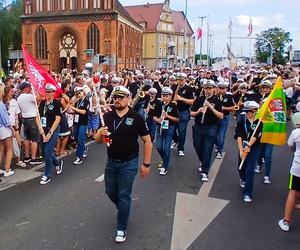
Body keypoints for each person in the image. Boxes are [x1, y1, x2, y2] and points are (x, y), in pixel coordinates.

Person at [95, 85, 152, 243]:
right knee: (110, 191)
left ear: (128, 98)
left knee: (124, 195)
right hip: (111, 162)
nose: (117, 100)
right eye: (115, 97)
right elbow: (98, 140)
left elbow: (147, 141)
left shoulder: (136, 117)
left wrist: (146, 164)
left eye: (121, 97)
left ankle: (121, 228)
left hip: (129, 162)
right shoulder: (107, 116)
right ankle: (124, 210)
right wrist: (101, 132)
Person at [191, 80, 223, 182]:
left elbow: (221, 116)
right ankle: (202, 161)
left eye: (210, 88)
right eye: (206, 88)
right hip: (198, 126)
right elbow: (191, 114)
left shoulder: (217, 101)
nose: (208, 90)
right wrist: (198, 111)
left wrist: (211, 108)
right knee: (197, 146)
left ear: (214, 89)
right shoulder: (199, 100)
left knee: (207, 149)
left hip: (211, 127)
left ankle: (205, 171)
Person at [235, 101, 262, 203]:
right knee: (241, 167)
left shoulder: (259, 122)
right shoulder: (241, 122)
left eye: (250, 111)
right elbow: (239, 136)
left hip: (254, 148)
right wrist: (241, 149)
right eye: (246, 111)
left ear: (255, 111)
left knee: (250, 170)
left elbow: (256, 136)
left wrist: (249, 146)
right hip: (243, 146)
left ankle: (247, 193)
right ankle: (242, 178)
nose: (248, 113)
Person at [278, 112, 300, 232]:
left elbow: (290, 146)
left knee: (293, 192)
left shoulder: (296, 133)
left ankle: (286, 221)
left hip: (297, 167)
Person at [38, 84, 63, 184]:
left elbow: (57, 119)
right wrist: (41, 130)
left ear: (53, 93)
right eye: (46, 91)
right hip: (43, 129)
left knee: (48, 152)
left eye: (49, 92)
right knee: (44, 152)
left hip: (53, 129)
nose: (47, 93)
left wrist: (50, 133)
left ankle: (47, 175)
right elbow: (39, 116)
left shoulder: (57, 103)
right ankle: (58, 162)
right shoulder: (42, 103)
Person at [153, 87, 179, 175]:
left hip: (169, 128)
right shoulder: (159, 104)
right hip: (159, 127)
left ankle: (165, 167)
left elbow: (177, 119)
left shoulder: (173, 105)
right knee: (158, 146)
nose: (164, 97)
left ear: (170, 96)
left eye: (166, 95)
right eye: (163, 95)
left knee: (166, 148)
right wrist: (158, 120)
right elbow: (153, 116)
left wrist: (168, 116)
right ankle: (165, 159)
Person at [17, 81, 43, 165]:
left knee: (27, 138)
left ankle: (27, 156)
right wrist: (36, 90)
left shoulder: (19, 97)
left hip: (25, 118)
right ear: (26, 88)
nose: (30, 88)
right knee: (35, 139)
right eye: (29, 87)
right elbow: (40, 98)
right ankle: (33, 158)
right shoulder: (29, 96)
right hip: (32, 118)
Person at [173, 73, 194, 156]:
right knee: (171, 129)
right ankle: (176, 140)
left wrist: (180, 98)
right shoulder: (174, 87)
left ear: (185, 80)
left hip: (184, 112)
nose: (180, 81)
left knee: (182, 131)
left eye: (182, 80)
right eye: (178, 79)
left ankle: (181, 148)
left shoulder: (188, 89)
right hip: (174, 111)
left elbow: (192, 101)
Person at [69, 87, 90, 165]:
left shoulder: (86, 101)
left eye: (79, 93)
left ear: (83, 92)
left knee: (80, 140)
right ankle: (84, 148)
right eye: (77, 93)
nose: (78, 94)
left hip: (83, 123)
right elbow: (75, 112)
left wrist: (73, 108)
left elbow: (84, 112)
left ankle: (79, 157)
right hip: (76, 122)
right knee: (77, 139)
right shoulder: (77, 101)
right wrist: (69, 110)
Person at [215, 81, 235, 159]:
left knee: (221, 135)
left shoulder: (229, 97)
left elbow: (233, 107)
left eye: (223, 88)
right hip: (214, 118)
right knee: (213, 135)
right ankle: (218, 145)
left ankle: (220, 151)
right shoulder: (215, 96)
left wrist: (223, 108)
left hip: (224, 118)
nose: (221, 90)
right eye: (220, 88)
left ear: (226, 89)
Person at [0, 84, 15, 177]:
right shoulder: (1, 104)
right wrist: (12, 128)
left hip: (0, 128)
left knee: (1, 148)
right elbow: (6, 120)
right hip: (5, 128)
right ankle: (7, 170)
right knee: (9, 149)